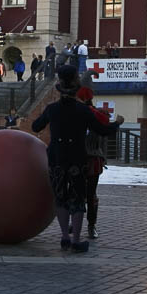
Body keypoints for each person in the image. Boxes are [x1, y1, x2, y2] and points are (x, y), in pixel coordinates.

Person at [32, 65, 122, 253]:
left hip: (56, 158)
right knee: (78, 198)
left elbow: (36, 127)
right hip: (77, 159)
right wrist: (117, 123)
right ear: (76, 85)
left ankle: (64, 237)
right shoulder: (83, 111)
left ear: (59, 85)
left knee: (60, 197)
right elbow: (103, 130)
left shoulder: (52, 109)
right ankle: (76, 240)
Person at [76, 87, 109, 239]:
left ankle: (91, 224)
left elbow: (103, 138)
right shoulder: (75, 115)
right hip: (78, 158)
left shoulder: (97, 116)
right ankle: (76, 221)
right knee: (76, 193)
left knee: (90, 194)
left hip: (93, 158)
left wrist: (102, 157)